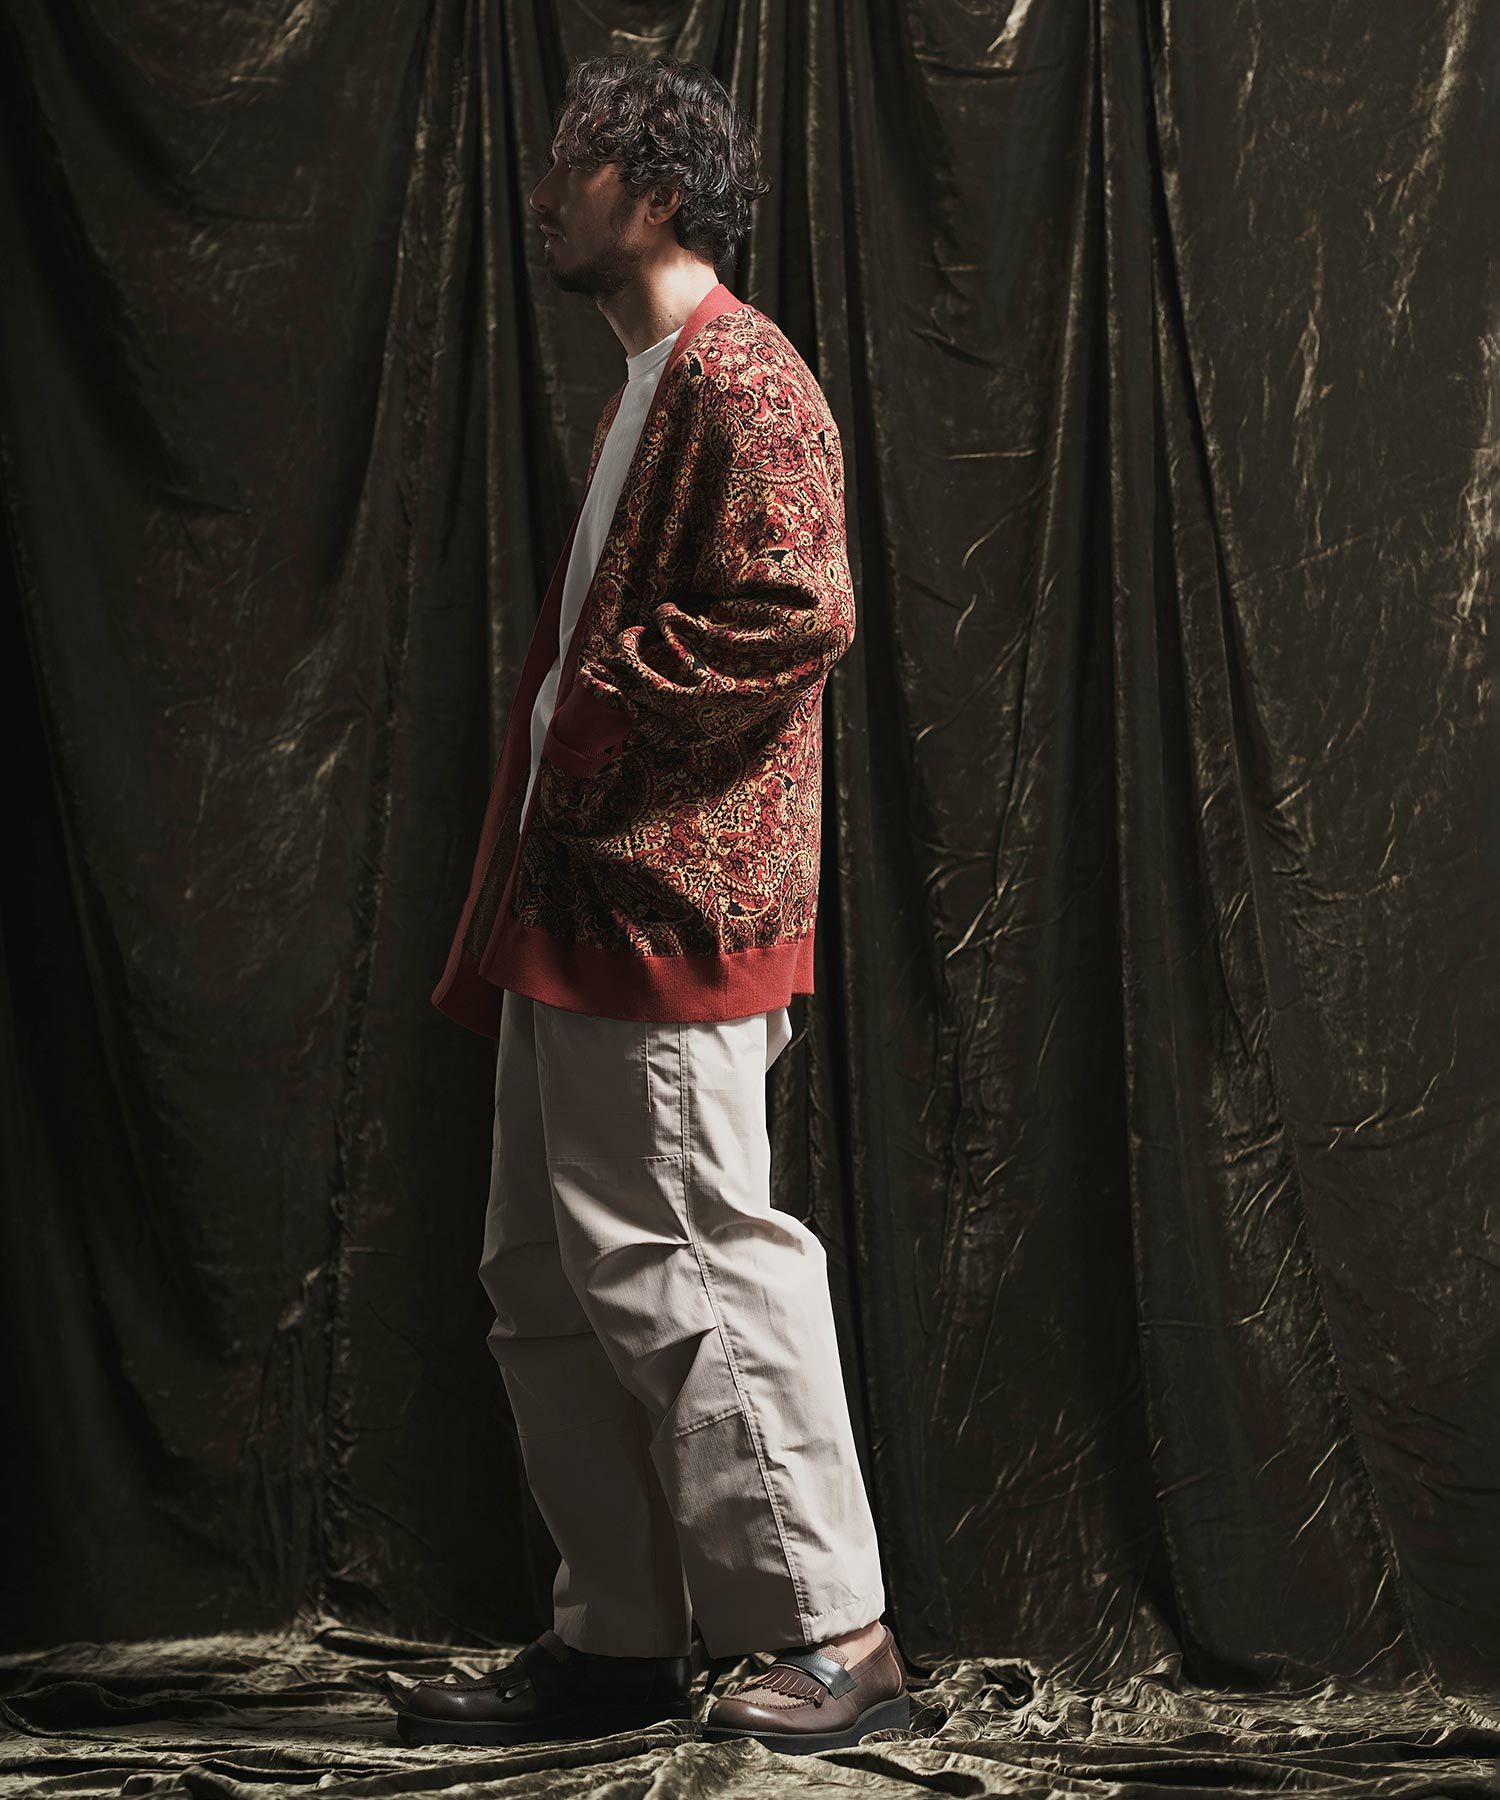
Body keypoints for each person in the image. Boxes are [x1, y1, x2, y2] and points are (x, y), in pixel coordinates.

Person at [388, 53, 908, 1757]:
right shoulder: (651, 380)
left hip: (669, 905)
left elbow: (802, 607)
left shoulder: (745, 376)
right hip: (577, 901)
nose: (545, 192)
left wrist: (608, 703)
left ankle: (833, 1634)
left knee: (692, 1256)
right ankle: (616, 1639)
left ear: (660, 192)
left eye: (576, 165)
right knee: (544, 1276)